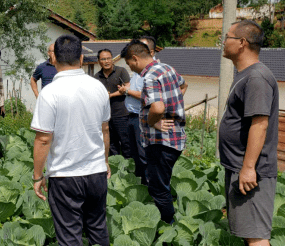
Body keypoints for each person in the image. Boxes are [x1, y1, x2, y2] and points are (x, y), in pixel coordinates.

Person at [31, 34, 111, 246]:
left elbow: (43, 140)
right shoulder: (99, 88)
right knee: (97, 228)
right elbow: (105, 130)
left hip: (65, 176)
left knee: (69, 237)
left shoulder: (50, 93)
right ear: (82, 59)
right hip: (96, 173)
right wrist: (105, 162)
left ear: (54, 59)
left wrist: (37, 176)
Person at [219, 20, 278, 246]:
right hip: (239, 166)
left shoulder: (256, 77)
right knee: (248, 233)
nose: (223, 43)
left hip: (252, 171)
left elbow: (260, 124)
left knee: (256, 238)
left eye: (227, 37)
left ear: (242, 43)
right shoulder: (246, 74)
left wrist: (248, 168)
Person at [122, 39, 186, 224]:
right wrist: (173, 106)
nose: (131, 68)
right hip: (175, 138)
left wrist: (153, 122)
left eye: (129, 64)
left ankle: (168, 227)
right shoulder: (167, 68)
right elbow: (184, 85)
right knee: (162, 183)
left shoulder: (149, 76)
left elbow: (157, 108)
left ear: (135, 58)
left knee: (158, 188)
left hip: (161, 141)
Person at [94, 49, 131, 157]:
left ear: (112, 59)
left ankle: (129, 168)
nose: (106, 61)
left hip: (121, 114)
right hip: (105, 116)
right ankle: (114, 167)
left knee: (126, 142)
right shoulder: (97, 77)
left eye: (109, 58)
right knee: (111, 143)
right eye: (103, 59)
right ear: (98, 61)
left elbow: (127, 88)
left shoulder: (121, 71)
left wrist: (109, 95)